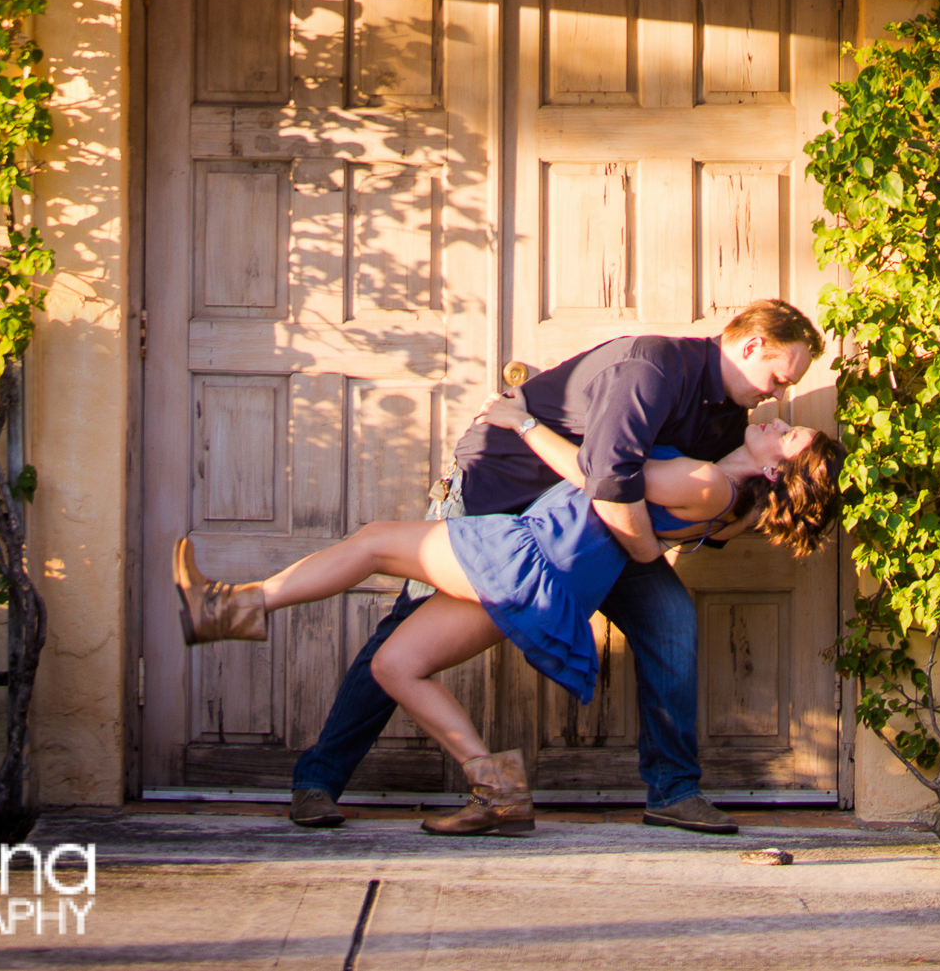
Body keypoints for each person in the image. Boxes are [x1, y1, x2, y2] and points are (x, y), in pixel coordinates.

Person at [268, 298, 825, 836]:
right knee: (404, 632)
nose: (779, 398)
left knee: (672, 620)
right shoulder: (654, 366)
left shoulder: (732, 427)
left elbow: (665, 507)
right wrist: (644, 542)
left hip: (591, 534)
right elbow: (607, 481)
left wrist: (669, 540)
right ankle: (319, 781)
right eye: (780, 378)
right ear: (753, 346)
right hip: (497, 494)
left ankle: (674, 792)